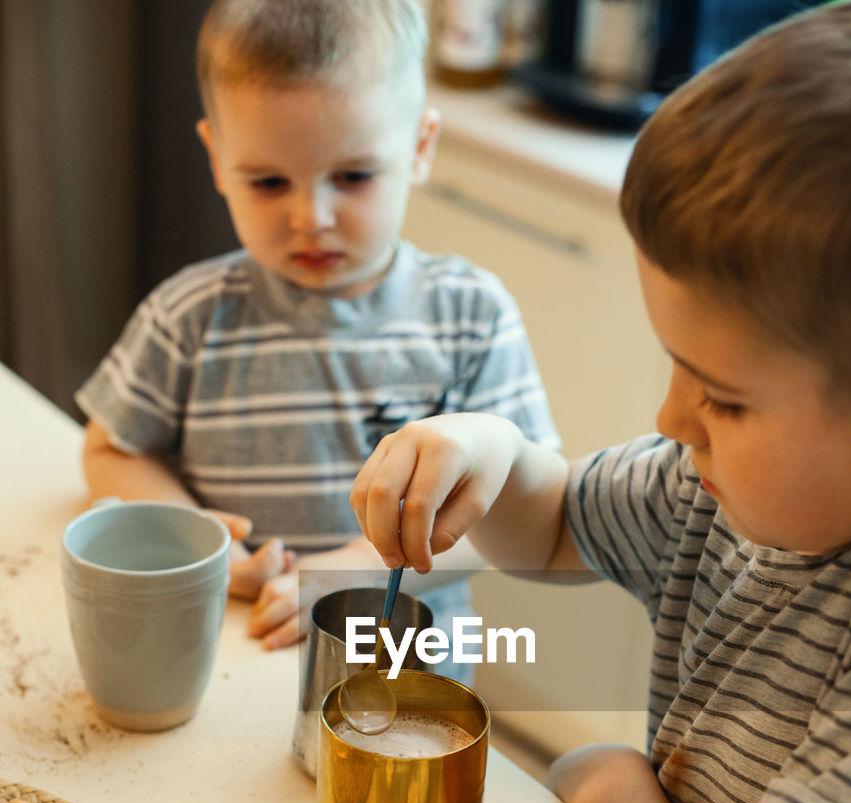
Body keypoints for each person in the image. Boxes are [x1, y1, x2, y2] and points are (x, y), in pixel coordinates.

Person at [349, 4, 851, 803]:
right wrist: (485, 454)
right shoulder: (713, 483)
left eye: (724, 395)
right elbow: (554, 526)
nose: (671, 419)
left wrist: (601, 777)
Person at [76, 0, 557, 657]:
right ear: (217, 159)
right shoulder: (187, 314)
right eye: (270, 181)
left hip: (401, 669)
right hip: (233, 646)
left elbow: (517, 511)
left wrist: (351, 570)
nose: (312, 217)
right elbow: (111, 449)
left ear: (419, 147)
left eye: (352, 176)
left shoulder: (471, 316)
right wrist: (193, 535)